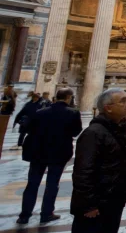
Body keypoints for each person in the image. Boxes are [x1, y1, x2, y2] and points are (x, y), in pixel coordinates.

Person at [66, 89, 126, 233]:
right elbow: (83, 172)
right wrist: (88, 205)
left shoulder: (123, 129)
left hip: (114, 200)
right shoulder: (94, 133)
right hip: (96, 204)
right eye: (123, 101)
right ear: (108, 108)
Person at [18, 88, 82, 224]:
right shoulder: (73, 113)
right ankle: (46, 213)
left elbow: (29, 129)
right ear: (69, 97)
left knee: (32, 183)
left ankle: (24, 215)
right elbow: (76, 132)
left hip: (38, 152)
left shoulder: (41, 112)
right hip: (59, 152)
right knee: (52, 183)